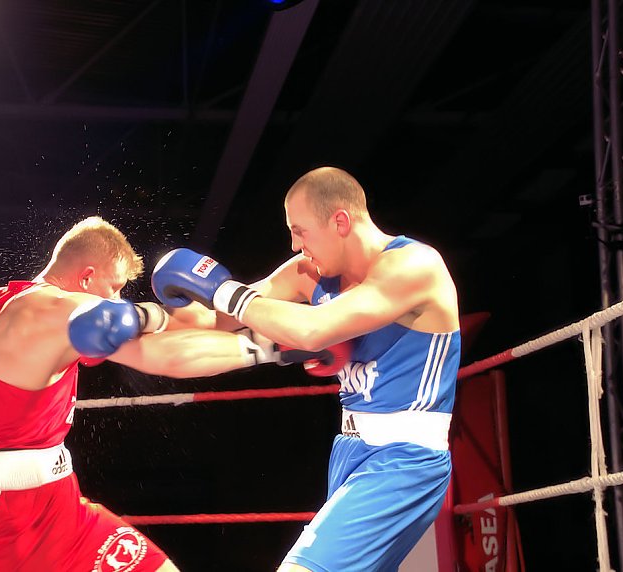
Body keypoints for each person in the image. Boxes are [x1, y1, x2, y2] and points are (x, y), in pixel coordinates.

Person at [0, 215, 337, 571]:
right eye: (113, 288)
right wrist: (271, 348)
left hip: (59, 502)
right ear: (87, 276)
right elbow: (163, 355)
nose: (116, 301)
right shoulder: (64, 309)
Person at [149, 166, 461, 572]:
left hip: (405, 460)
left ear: (341, 221)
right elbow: (215, 319)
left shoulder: (415, 265)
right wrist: (135, 318)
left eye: (300, 230)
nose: (295, 244)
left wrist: (223, 290)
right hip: (349, 451)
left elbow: (311, 330)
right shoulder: (309, 275)